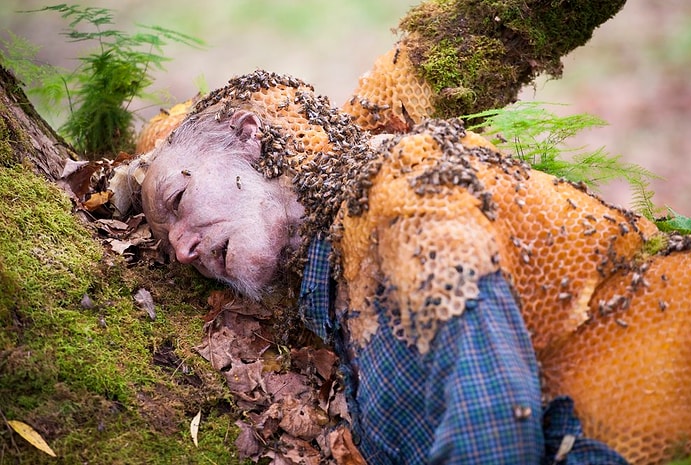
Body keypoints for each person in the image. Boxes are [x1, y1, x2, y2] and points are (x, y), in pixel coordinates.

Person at [139, 71, 629, 464]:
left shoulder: (400, 201)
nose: (184, 251)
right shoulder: (326, 288)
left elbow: (494, 423)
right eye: (170, 247)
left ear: (247, 138)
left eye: (178, 199)